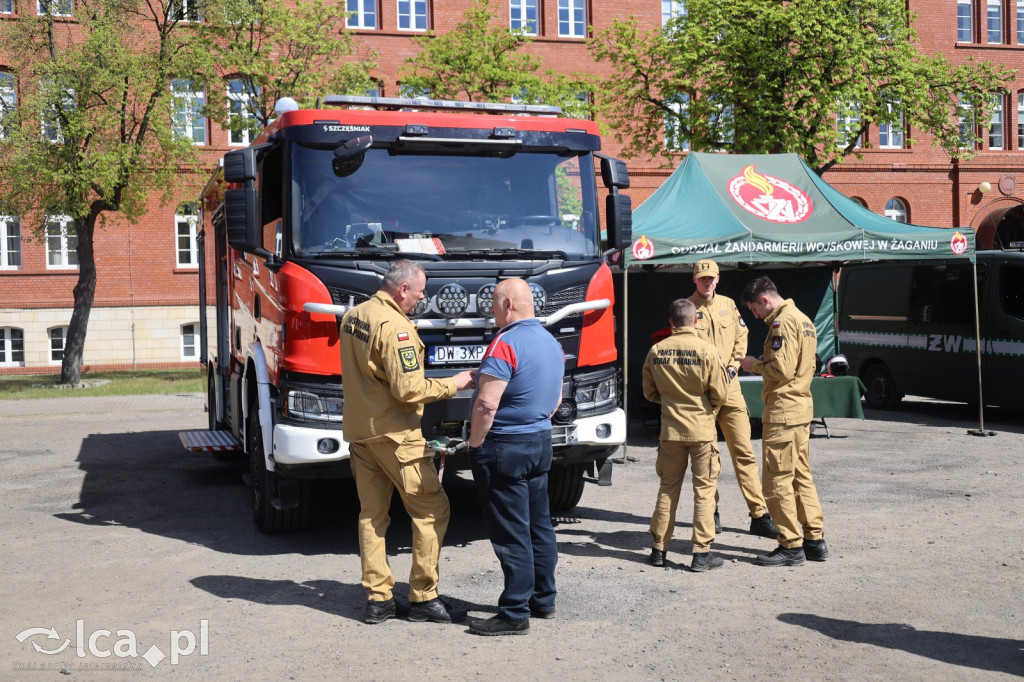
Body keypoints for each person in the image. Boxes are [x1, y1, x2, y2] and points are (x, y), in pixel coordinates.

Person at [340, 259, 476, 624]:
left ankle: (378, 599)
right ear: (402, 290)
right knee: (432, 509)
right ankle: (423, 597)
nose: (421, 298)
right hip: (396, 437)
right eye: (419, 292)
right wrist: (455, 383)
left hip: (361, 432)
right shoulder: (395, 327)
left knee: (372, 516)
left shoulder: (354, 315)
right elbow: (407, 389)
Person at [465, 278, 564, 636]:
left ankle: (513, 612)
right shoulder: (551, 342)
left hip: (504, 446)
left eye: (493, 304)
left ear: (508, 304)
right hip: (539, 441)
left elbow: (487, 403)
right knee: (540, 525)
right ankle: (544, 599)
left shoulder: (504, 343)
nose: (491, 311)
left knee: (511, 532)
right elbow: (555, 398)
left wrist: (475, 443)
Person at [739, 276, 830, 567]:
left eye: (755, 309)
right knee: (801, 476)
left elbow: (780, 368)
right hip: (800, 408)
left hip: (784, 410)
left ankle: (791, 544)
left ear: (765, 300)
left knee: (776, 480)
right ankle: (814, 540)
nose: (756, 316)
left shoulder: (783, 323)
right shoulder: (804, 319)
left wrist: (753, 364)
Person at [687, 259, 778, 539]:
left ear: (718, 279)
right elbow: (685, 346)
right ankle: (709, 513)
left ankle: (759, 514)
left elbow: (742, 335)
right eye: (703, 278)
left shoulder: (728, 304)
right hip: (702, 393)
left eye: (712, 278)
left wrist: (733, 366)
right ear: (695, 279)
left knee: (744, 453)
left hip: (730, 388)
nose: (707, 283)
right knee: (707, 456)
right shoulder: (687, 309)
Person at [642, 298, 730, 572]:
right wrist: (705, 407)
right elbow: (720, 393)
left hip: (670, 431)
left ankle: (659, 550)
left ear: (671, 323)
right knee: (704, 491)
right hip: (702, 430)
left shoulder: (656, 351)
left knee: (668, 489)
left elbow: (649, 392)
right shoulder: (707, 350)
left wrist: (671, 402)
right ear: (695, 320)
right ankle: (700, 554)